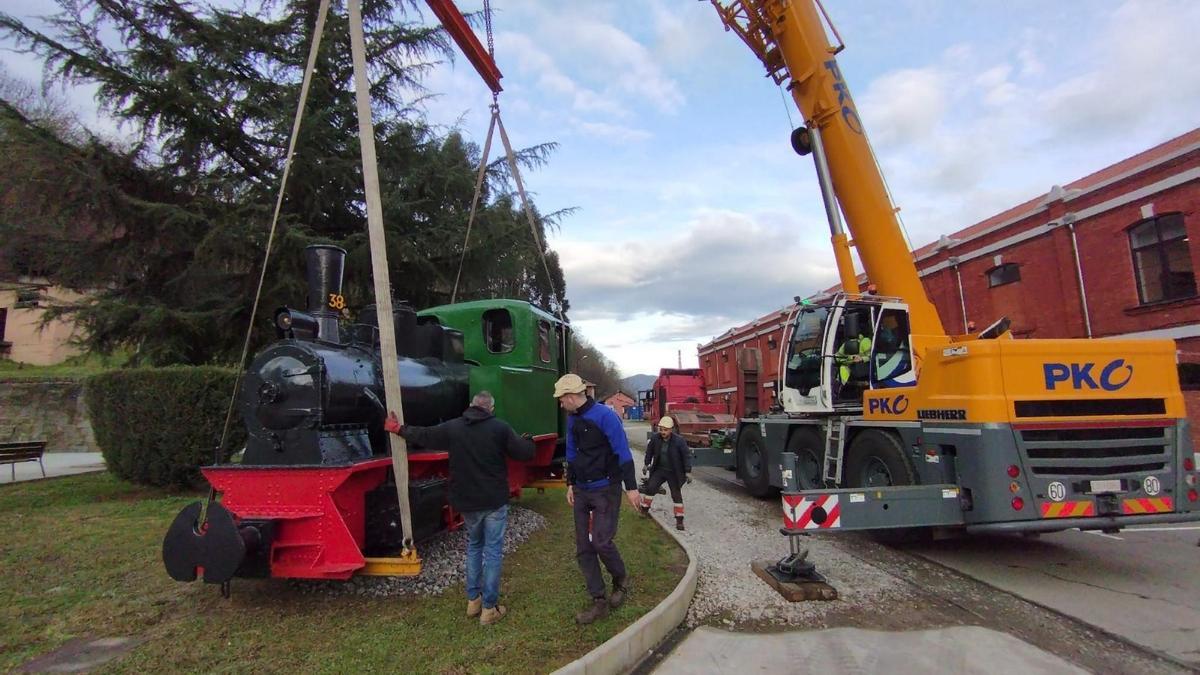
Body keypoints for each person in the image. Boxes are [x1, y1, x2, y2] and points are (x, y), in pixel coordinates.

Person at [383, 391, 534, 626]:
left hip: (467, 502)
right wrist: (528, 440)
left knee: (474, 547)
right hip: (493, 501)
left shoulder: (453, 427)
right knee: (492, 551)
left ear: (471, 406)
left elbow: (425, 435)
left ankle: (473, 600)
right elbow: (524, 453)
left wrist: (397, 428)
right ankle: (489, 608)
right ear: (490, 409)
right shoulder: (500, 428)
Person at [553, 373, 640, 625]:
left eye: (561, 399)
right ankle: (599, 600)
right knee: (583, 547)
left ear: (571, 397)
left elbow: (623, 453)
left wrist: (631, 488)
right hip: (581, 489)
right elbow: (571, 451)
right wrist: (570, 482)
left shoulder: (605, 416)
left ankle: (621, 578)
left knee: (601, 542)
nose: (560, 404)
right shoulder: (572, 419)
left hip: (605, 488)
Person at [639, 416, 692, 531]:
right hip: (660, 469)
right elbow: (649, 451)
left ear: (671, 429)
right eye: (661, 429)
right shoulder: (655, 439)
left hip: (674, 472)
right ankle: (644, 510)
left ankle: (679, 520)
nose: (663, 432)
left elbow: (686, 456)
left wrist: (687, 471)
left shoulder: (679, 441)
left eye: (665, 430)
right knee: (651, 487)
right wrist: (646, 464)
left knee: (676, 494)